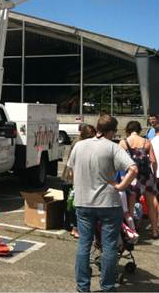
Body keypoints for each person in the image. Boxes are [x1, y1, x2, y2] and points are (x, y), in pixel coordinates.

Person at [67, 114, 138, 292]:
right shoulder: (113, 148)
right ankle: (107, 286)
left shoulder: (79, 146)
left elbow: (72, 171)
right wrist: (121, 186)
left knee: (84, 244)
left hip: (84, 202)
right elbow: (133, 168)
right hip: (108, 203)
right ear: (112, 131)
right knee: (109, 247)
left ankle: (83, 287)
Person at [119, 120, 158, 238]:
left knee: (130, 206)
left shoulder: (123, 143)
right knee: (151, 204)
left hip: (132, 177)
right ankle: (155, 231)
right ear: (139, 130)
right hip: (146, 177)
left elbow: (118, 161)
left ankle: (132, 231)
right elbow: (153, 161)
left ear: (128, 130)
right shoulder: (146, 142)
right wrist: (154, 174)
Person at [63, 124, 97, 239]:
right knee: (74, 205)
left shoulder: (80, 143)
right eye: (92, 136)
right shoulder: (79, 144)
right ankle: (74, 227)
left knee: (72, 204)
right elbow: (72, 164)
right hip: (73, 178)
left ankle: (71, 226)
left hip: (74, 177)